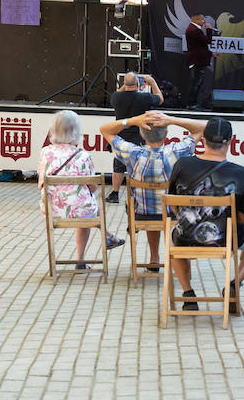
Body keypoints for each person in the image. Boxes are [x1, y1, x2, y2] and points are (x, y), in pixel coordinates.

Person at [163, 116, 244, 313]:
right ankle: (234, 284)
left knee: (173, 236)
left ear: (203, 139)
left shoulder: (182, 165)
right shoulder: (241, 173)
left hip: (185, 238)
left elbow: (173, 206)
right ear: (231, 142)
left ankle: (188, 294)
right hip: (225, 240)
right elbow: (243, 217)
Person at [98, 110, 207, 272]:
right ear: (167, 134)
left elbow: (104, 129)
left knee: (149, 206)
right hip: (172, 213)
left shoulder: (132, 153)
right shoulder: (176, 152)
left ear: (142, 134)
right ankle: (172, 255)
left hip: (141, 214)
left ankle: (154, 258)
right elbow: (204, 127)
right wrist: (170, 119)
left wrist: (133, 119)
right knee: (163, 206)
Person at [40, 110, 125, 266]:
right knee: (87, 204)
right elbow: (92, 188)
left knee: (84, 203)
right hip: (80, 210)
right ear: (76, 131)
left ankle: (108, 237)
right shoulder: (83, 155)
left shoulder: (45, 153)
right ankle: (82, 258)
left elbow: (41, 183)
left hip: (52, 210)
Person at [107, 71, 163, 204]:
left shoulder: (116, 97)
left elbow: (119, 92)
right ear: (138, 84)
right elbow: (160, 99)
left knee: (118, 166)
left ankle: (115, 193)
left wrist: (126, 85)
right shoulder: (145, 97)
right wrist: (153, 83)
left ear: (125, 84)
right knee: (140, 166)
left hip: (121, 136)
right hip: (139, 137)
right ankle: (138, 193)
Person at [184, 13, 214, 109]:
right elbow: (208, 40)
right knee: (196, 83)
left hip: (197, 59)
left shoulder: (193, 29)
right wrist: (209, 29)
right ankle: (192, 103)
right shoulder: (195, 30)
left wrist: (210, 53)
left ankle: (192, 103)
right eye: (202, 20)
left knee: (197, 82)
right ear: (196, 20)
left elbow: (200, 46)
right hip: (197, 60)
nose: (204, 21)